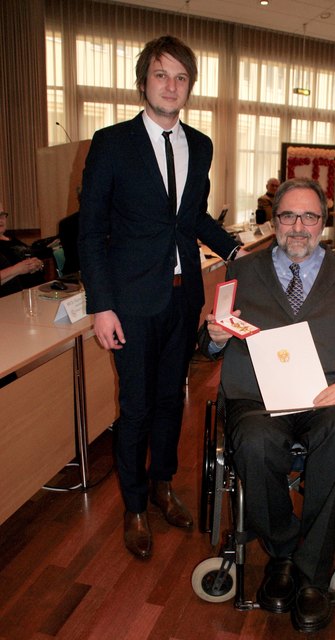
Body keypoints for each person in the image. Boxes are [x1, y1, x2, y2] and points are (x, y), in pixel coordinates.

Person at [78, 35, 244, 560]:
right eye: (161, 75)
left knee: (174, 399)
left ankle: (162, 485)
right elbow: (90, 231)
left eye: (180, 77)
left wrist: (235, 248)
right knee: (136, 405)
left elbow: (190, 216)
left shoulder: (200, 144)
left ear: (189, 86)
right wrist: (101, 305)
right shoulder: (110, 143)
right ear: (143, 81)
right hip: (128, 301)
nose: (171, 86)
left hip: (182, 296)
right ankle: (132, 505)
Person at [203, 178, 335, 633]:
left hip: (326, 398)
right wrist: (215, 338)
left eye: (309, 217)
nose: (298, 227)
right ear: (274, 219)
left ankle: (313, 575)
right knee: (255, 443)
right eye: (288, 216)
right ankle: (283, 552)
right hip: (257, 400)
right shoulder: (243, 272)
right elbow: (208, 343)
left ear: (324, 222)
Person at [0, 208, 44, 297]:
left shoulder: (12, 239)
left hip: (37, 290)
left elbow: (32, 256)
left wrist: (38, 264)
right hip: (13, 297)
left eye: (2, 214)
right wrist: (18, 269)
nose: (0, 219)